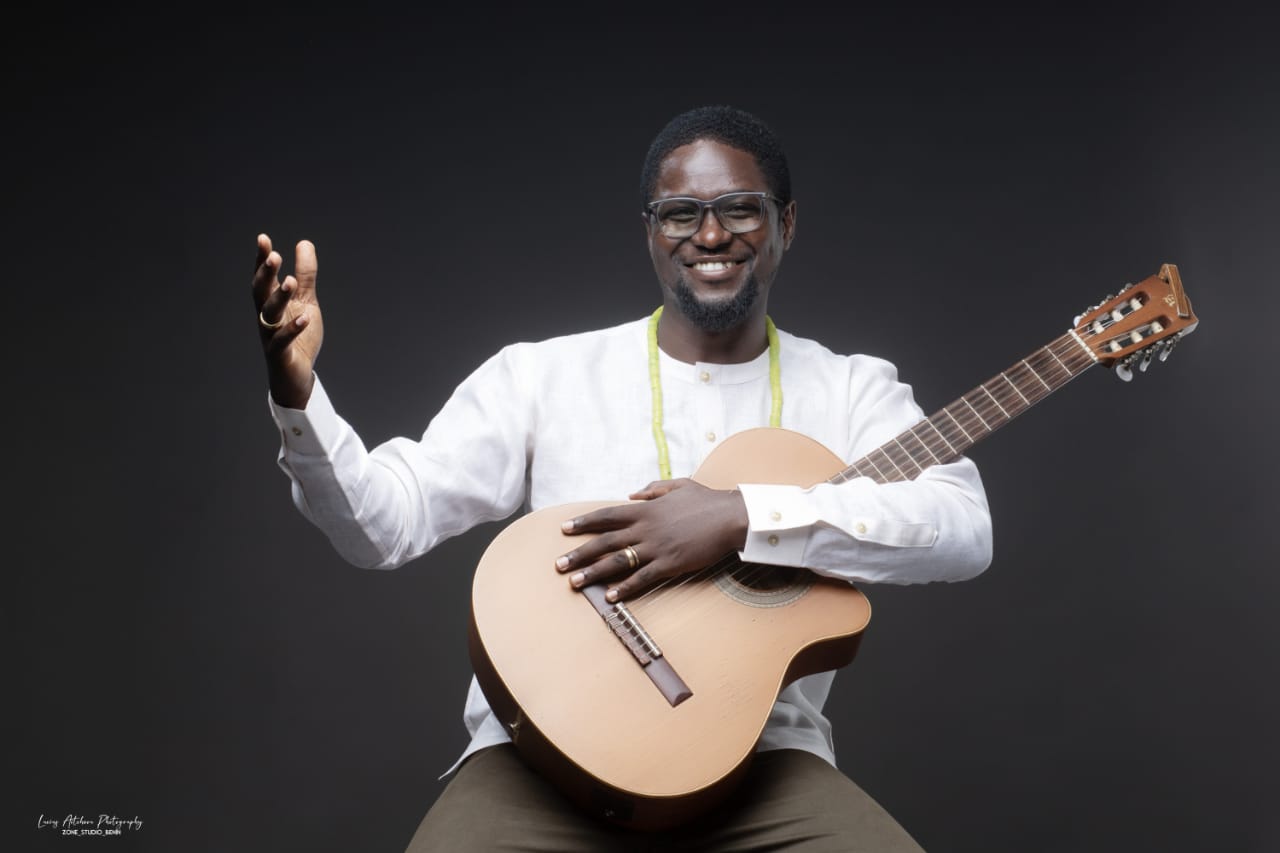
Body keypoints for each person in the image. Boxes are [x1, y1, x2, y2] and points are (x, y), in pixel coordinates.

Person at [253, 105, 992, 851]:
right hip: (541, 757)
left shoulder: (853, 389)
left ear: (786, 223)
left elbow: (963, 526)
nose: (710, 236)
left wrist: (743, 515)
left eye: (740, 209)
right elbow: (385, 523)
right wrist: (297, 396)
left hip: (762, 765)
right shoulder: (542, 375)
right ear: (650, 231)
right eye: (680, 214)